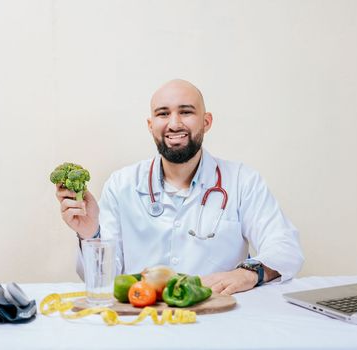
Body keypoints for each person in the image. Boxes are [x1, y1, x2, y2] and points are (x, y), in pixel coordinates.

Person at [55, 79, 304, 295]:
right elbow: (104, 281)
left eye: (186, 112)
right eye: (163, 114)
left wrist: (247, 274)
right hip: (143, 320)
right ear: (150, 124)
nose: (174, 124)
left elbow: (285, 247)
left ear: (206, 122)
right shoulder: (121, 184)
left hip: (220, 321)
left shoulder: (242, 180)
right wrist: (91, 236)